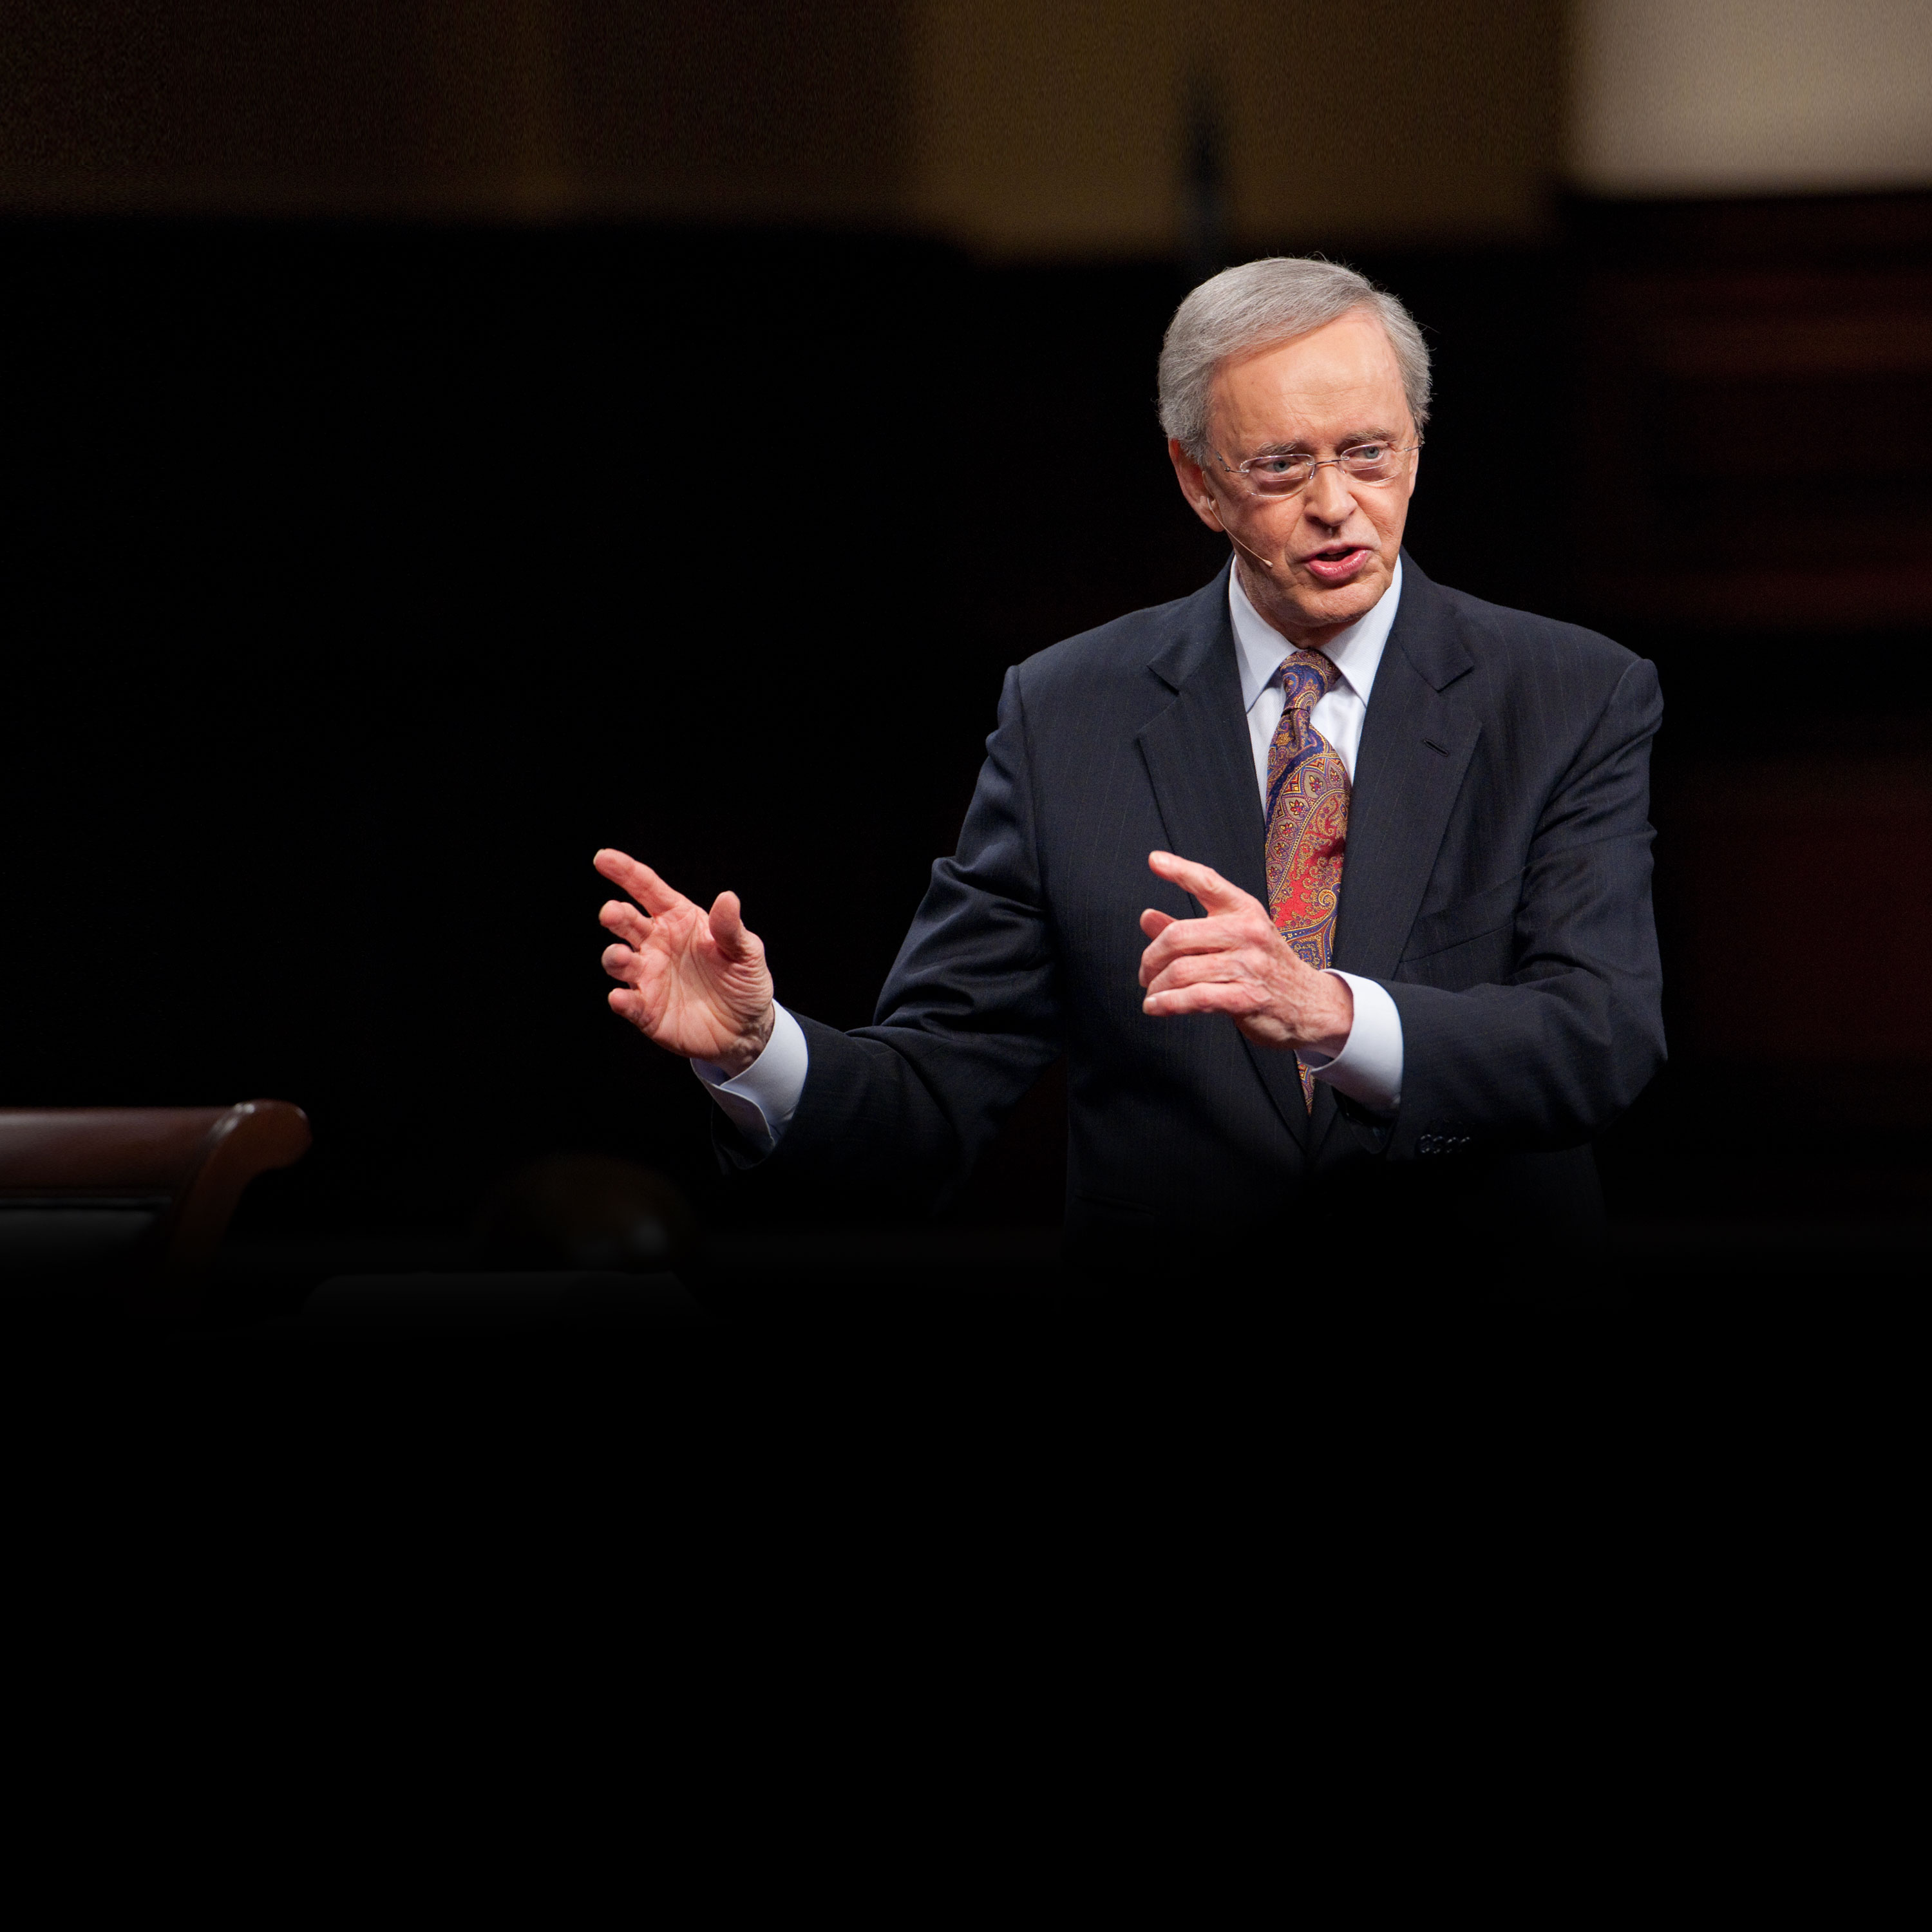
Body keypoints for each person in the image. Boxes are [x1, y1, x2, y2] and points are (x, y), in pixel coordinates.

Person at [594, 257, 1664, 1279]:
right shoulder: (1066, 713)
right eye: (1282, 465)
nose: (1336, 502)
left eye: (1369, 454)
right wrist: (757, 1049)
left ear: (1417, 449)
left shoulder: (1570, 696)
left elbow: (1601, 1039)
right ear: (1198, 481)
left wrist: (1333, 1014)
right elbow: (930, 1097)